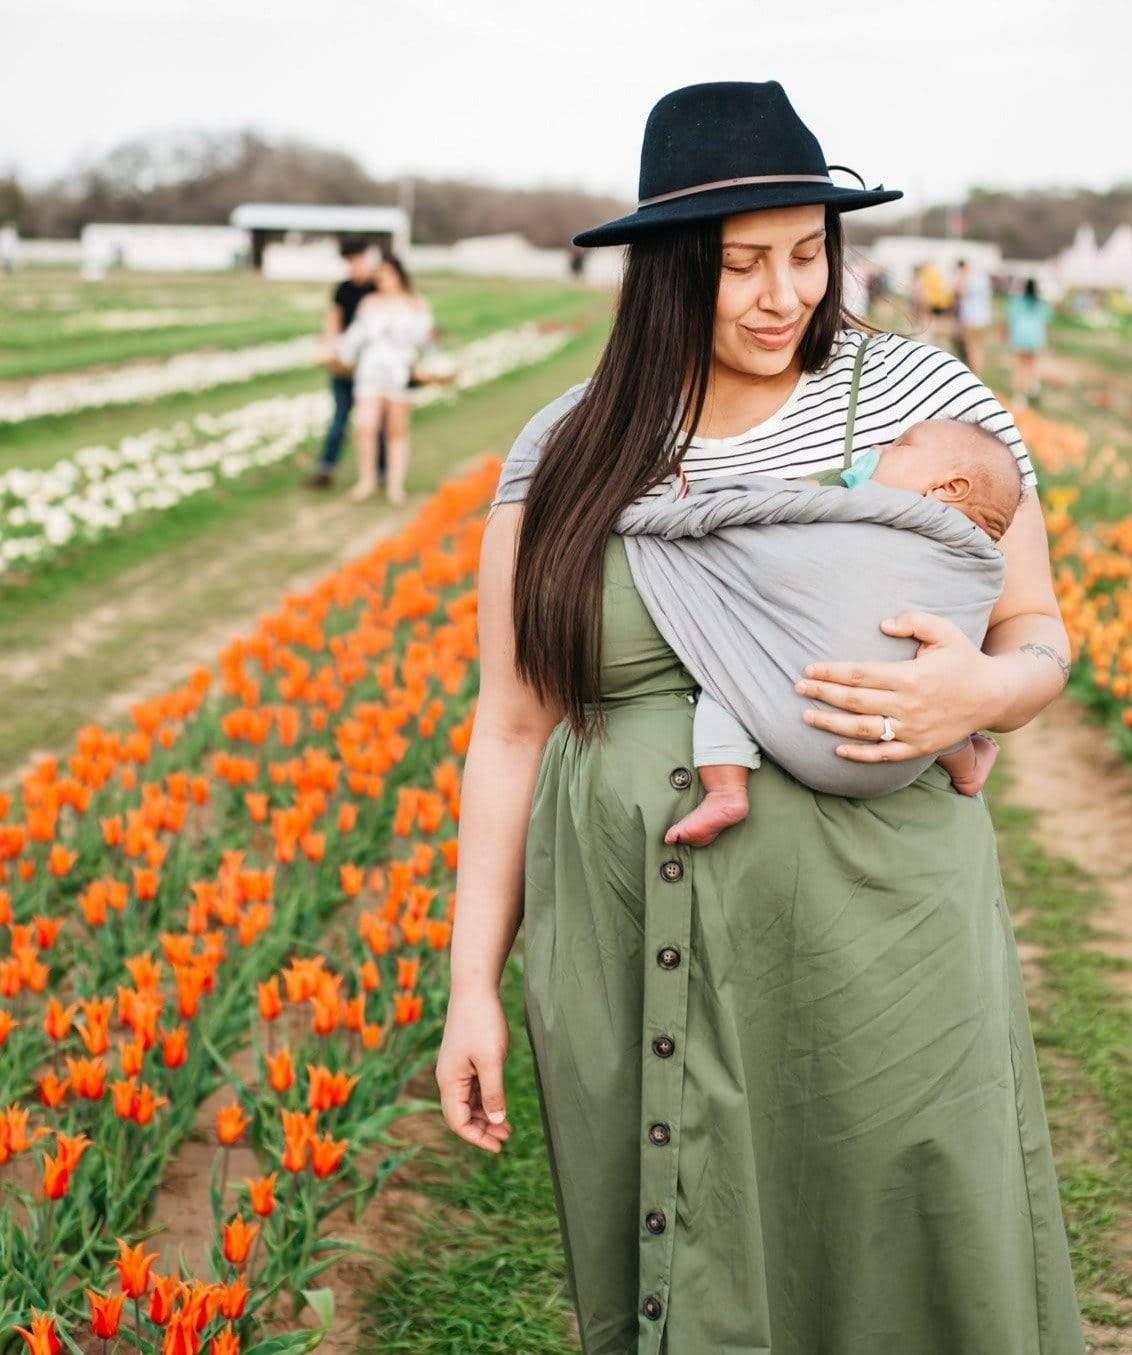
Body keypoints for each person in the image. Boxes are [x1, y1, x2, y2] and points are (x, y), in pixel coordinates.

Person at [437, 80, 1084, 1353]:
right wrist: (472, 985)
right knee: (684, 1250)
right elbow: (510, 725)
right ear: (666, 271)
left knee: (905, 1241)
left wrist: (984, 692)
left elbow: (1037, 634)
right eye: (740, 265)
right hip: (626, 925)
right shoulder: (564, 450)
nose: (783, 294)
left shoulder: (914, 402)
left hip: (877, 932)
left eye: (806, 253)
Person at [655, 417, 1020, 848]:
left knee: (730, 666)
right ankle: (964, 761)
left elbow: (798, 505)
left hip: (816, 702)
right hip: (908, 750)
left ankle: (726, 789)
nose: (881, 448)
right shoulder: (975, 559)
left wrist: (697, 500)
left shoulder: (873, 504)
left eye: (901, 445)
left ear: (948, 489)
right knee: (934, 688)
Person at [334, 250, 433, 504]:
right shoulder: (369, 303)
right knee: (366, 425)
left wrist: (428, 366)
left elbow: (425, 343)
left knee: (396, 430)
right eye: (378, 275)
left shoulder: (416, 303)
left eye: (386, 273)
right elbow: (354, 338)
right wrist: (339, 353)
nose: (382, 279)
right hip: (370, 371)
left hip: (400, 373)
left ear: (398, 274)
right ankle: (366, 481)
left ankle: (394, 485)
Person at [306, 237, 387, 490]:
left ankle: (382, 472)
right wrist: (331, 348)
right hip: (346, 364)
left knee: (377, 420)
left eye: (357, 260)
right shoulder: (343, 289)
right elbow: (333, 320)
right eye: (349, 262)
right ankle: (326, 469)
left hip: (373, 365)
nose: (353, 266)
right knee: (340, 416)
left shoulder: (380, 287)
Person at [1007, 276, 1053, 404]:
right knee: (1032, 366)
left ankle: (1019, 396)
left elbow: (1011, 319)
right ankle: (1033, 387)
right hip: (1036, 338)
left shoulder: (1016, 302)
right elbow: (1047, 321)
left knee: (1019, 367)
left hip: (1020, 338)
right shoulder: (1041, 304)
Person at [955, 257, 995, 373]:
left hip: (971, 320)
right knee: (979, 348)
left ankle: (975, 374)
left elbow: (959, 293)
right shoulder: (982, 278)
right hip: (984, 319)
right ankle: (978, 373)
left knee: (971, 349)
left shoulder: (967, 278)